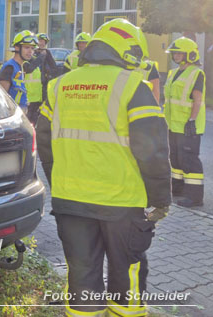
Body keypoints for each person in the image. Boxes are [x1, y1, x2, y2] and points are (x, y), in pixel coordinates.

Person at [36, 18, 170, 317]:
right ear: (128, 51)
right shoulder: (133, 85)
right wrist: (160, 200)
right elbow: (153, 152)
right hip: (121, 203)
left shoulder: (59, 85)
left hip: (70, 201)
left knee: (82, 275)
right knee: (127, 274)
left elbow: (43, 142)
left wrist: (59, 183)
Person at [163, 37, 206, 207]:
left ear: (190, 54)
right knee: (175, 159)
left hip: (188, 125)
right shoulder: (173, 73)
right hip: (173, 125)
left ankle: (195, 197)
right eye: (175, 53)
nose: (176, 56)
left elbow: (197, 99)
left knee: (189, 160)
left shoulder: (196, 73)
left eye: (179, 53)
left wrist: (192, 120)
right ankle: (178, 190)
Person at [0, 30, 37, 111]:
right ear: (17, 48)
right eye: (26, 47)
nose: (30, 51)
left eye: (32, 48)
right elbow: (2, 97)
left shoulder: (20, 67)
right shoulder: (10, 67)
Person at [25, 33, 58, 124]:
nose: (41, 43)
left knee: (40, 109)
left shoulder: (47, 52)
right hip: (31, 89)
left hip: (43, 86)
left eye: (43, 42)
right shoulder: (32, 53)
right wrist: (41, 56)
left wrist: (49, 75)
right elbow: (30, 68)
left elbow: (54, 68)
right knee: (29, 111)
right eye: (40, 41)